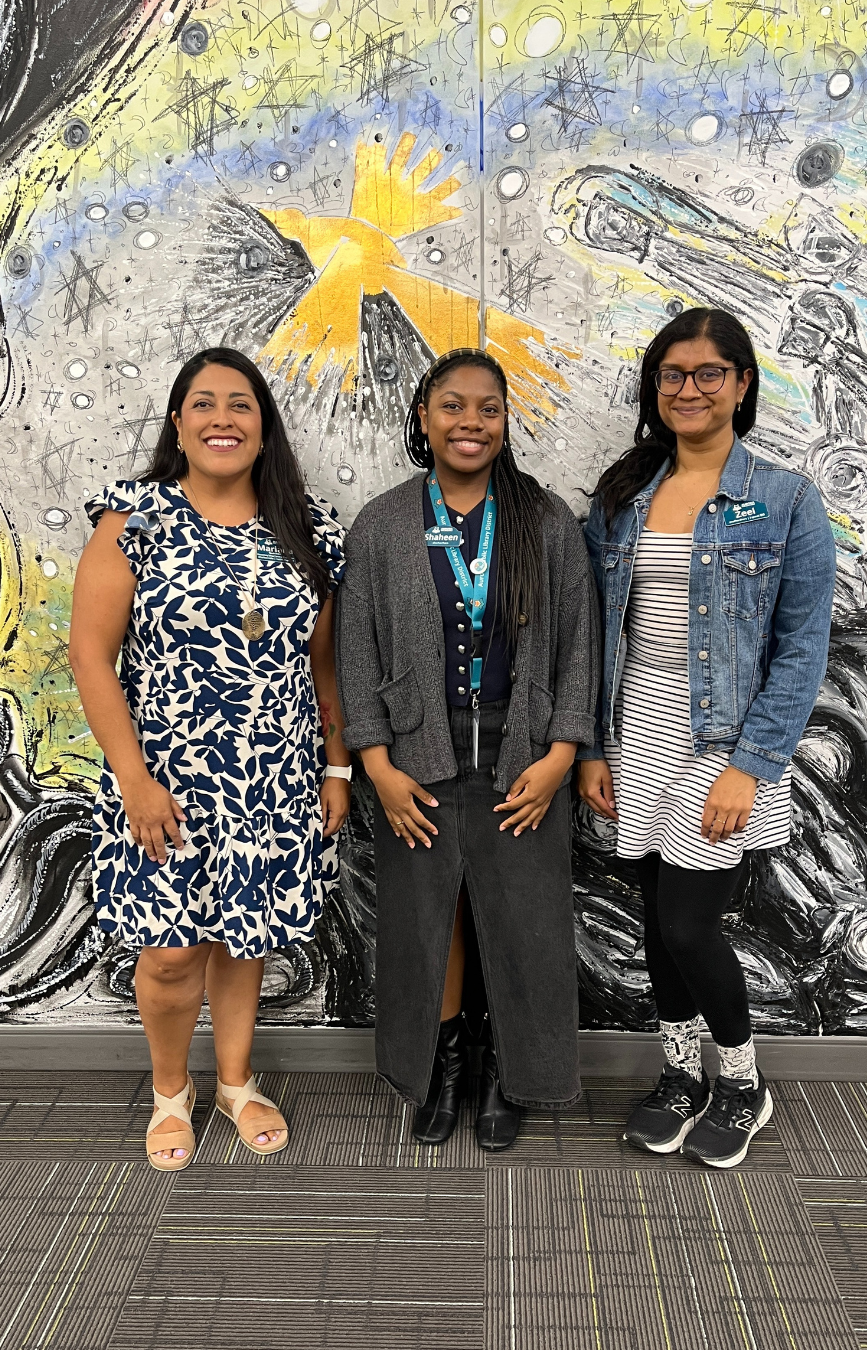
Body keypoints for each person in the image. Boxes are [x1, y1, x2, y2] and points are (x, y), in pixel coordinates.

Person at [70, 347, 350, 1170]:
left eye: (241, 405)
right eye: (203, 403)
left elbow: (322, 661)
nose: (221, 418)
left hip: (275, 776)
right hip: (164, 779)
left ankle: (234, 1081)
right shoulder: (137, 520)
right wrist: (135, 780)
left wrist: (336, 767)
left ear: (264, 430)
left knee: (244, 937)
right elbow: (91, 654)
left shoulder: (307, 526)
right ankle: (169, 1092)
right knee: (168, 951)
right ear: (177, 423)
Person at [579, 308, 836, 1168]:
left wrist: (751, 766)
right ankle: (680, 1075)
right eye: (672, 375)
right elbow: (591, 631)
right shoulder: (625, 494)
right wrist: (592, 748)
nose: (688, 389)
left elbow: (803, 647)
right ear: (656, 390)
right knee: (656, 919)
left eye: (708, 374)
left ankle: (742, 1082)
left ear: (742, 383)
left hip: (719, 741)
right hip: (635, 730)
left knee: (689, 924)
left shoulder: (788, 498)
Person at [337, 348, 599, 1150]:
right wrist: (376, 764)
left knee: (523, 923)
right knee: (429, 920)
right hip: (416, 762)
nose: (471, 423)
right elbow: (356, 650)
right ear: (423, 417)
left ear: (505, 421)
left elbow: (579, 644)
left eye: (488, 408)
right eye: (452, 406)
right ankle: (445, 1066)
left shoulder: (543, 519)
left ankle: (509, 1073)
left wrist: (562, 753)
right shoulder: (383, 522)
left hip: (522, 758)